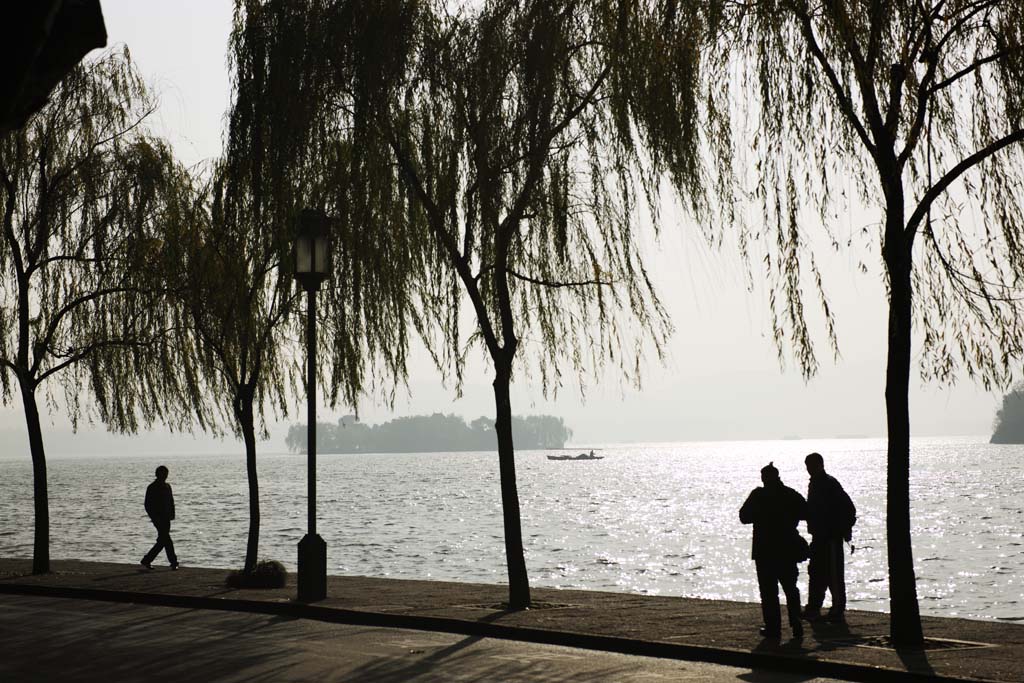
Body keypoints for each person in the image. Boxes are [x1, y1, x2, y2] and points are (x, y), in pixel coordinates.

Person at [739, 462, 808, 640]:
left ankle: (773, 628)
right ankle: (796, 623)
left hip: (765, 551)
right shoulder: (790, 494)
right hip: (786, 549)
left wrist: (762, 515)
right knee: (791, 589)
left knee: (769, 592)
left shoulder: (758, 495)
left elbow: (744, 517)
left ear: (764, 478)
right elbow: (805, 512)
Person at [802, 452, 856, 624]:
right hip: (819, 535)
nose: (809, 470)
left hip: (831, 537)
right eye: (807, 466)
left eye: (811, 466)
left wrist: (843, 530)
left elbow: (848, 508)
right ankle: (814, 607)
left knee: (833, 574)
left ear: (820, 465)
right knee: (816, 572)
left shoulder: (829, 484)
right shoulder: (816, 484)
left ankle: (837, 608)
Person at [141, 465, 179, 570]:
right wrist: (154, 517)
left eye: (166, 474)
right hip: (158, 518)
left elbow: (171, 501)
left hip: (166, 518)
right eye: (163, 473)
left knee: (163, 540)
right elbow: (147, 504)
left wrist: (172, 514)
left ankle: (147, 560)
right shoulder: (152, 487)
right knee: (166, 540)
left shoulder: (167, 486)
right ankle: (174, 562)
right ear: (157, 474)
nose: (165, 476)